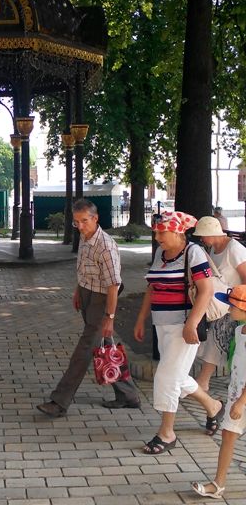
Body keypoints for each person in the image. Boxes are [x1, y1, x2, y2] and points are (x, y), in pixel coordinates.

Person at [36, 198, 140, 418]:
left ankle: (60, 401)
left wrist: (110, 317)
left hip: (102, 301)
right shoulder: (85, 237)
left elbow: (114, 286)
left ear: (95, 218)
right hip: (87, 295)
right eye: (76, 222)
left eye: (84, 221)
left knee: (83, 351)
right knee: (104, 345)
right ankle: (128, 395)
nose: (80, 226)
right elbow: (84, 269)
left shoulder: (106, 246)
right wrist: (78, 291)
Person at [134, 210, 225, 454]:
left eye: (161, 232)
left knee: (166, 377)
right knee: (176, 375)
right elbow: (152, 288)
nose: (157, 237)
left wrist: (191, 323)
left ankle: (167, 433)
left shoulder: (193, 252)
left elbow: (206, 290)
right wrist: (141, 319)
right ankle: (213, 406)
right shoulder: (160, 253)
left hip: (183, 326)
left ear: (177, 232)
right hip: (162, 324)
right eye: (156, 232)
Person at [191, 285, 246, 500]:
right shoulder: (239, 331)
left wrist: (241, 402)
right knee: (228, 435)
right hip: (236, 394)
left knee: (229, 434)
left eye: (232, 306)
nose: (229, 309)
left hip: (242, 398)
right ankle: (218, 484)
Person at [192, 216, 245, 391]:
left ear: (211, 233)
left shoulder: (233, 249)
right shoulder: (214, 249)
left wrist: (241, 304)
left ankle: (203, 380)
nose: (201, 239)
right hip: (222, 304)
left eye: (203, 235)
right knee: (221, 341)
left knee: (217, 340)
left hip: (234, 305)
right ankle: (209, 380)